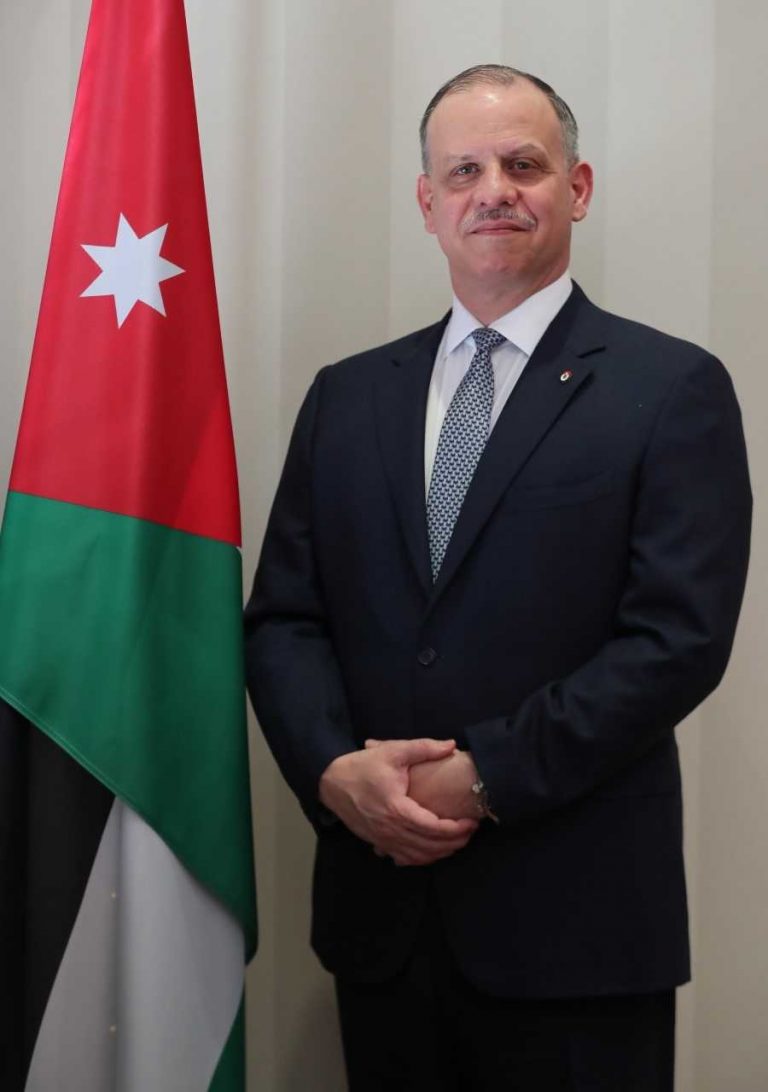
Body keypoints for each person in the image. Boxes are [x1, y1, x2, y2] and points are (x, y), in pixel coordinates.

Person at [244, 64, 752, 1091]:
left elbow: (676, 642)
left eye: (524, 164)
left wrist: (482, 775)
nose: (495, 191)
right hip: (382, 920)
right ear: (427, 202)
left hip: (577, 933)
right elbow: (284, 620)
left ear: (578, 187)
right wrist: (335, 771)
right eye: (464, 171)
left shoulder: (671, 389)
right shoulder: (348, 397)